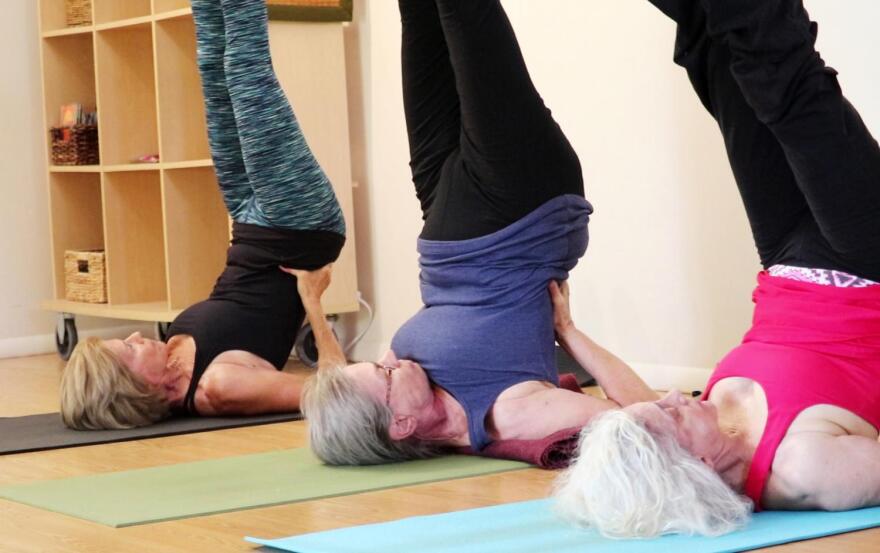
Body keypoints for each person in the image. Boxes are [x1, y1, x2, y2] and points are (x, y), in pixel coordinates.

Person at [555, 0, 880, 538]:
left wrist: (568, 332)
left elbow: (641, 408)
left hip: (782, 260)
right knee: (788, 84)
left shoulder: (696, 429)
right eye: (673, 415)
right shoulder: (803, 469)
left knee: (715, 57)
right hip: (867, 266)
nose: (675, 398)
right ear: (699, 467)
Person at [302, 0, 659, 466]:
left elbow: (352, 382)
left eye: (377, 362)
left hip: (439, 212)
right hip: (519, 205)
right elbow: (645, 421)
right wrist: (569, 335)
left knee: (419, 13)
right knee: (466, 11)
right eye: (384, 374)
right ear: (402, 425)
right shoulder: (508, 413)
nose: (389, 360)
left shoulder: (399, 386)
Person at [60, 0, 347, 430]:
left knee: (214, 69)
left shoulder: (173, 356)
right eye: (131, 350)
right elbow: (338, 390)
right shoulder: (220, 387)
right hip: (298, 225)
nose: (136, 337)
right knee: (248, 70)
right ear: (138, 387)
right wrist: (313, 304)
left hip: (248, 220)